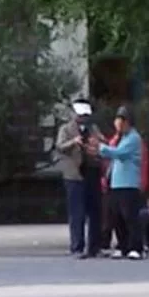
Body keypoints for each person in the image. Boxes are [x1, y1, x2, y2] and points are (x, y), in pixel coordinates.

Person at [54, 99, 104, 257]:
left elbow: (103, 142)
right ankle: (77, 246)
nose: (83, 119)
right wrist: (73, 142)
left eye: (85, 116)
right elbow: (60, 146)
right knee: (77, 212)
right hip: (74, 174)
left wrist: (97, 143)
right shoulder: (66, 129)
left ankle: (94, 246)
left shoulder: (93, 128)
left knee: (94, 211)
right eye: (80, 115)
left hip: (91, 171)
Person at [100, 107, 145, 258]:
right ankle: (122, 245)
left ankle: (136, 247)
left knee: (130, 217)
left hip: (129, 183)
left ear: (127, 122)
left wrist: (100, 147)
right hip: (116, 183)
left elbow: (119, 153)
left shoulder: (133, 138)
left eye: (120, 121)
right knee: (117, 217)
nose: (117, 124)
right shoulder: (120, 138)